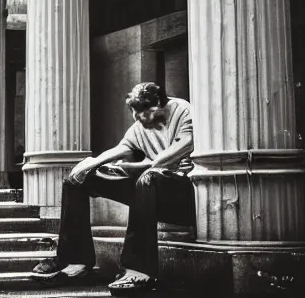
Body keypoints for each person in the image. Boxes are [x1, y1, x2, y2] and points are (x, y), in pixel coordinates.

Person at [31, 82, 196, 294]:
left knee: (148, 178)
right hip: (148, 190)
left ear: (156, 105)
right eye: (133, 111)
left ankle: (140, 270)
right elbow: (123, 148)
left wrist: (138, 166)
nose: (135, 117)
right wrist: (90, 164)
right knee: (77, 179)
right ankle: (74, 262)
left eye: (140, 112)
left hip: (185, 196)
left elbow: (182, 148)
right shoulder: (140, 127)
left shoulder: (182, 110)